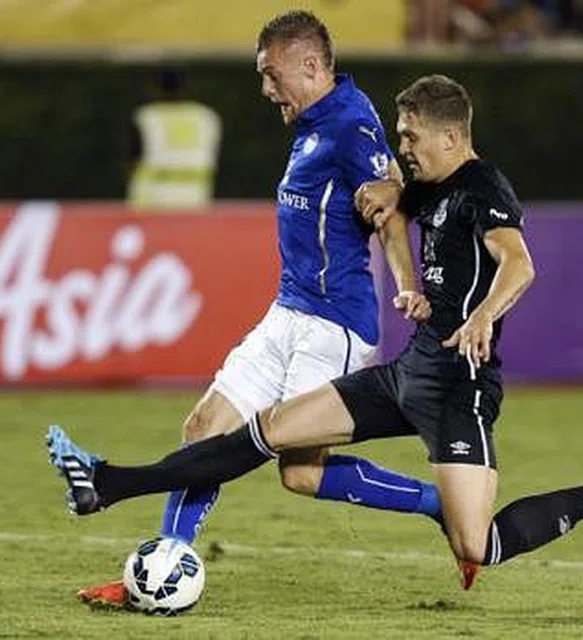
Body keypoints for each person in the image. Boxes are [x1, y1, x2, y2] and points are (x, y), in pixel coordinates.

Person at [49, 74, 583, 593]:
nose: (403, 145)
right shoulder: (425, 184)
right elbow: (390, 205)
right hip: (405, 374)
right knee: (268, 431)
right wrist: (401, 253)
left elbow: (520, 264)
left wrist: (481, 317)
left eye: (411, 135)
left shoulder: (482, 187)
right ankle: (110, 482)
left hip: (458, 389)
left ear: (449, 135)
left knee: (480, 545)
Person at [75, 12, 444, 608]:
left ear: (309, 65)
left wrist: (406, 284)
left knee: (301, 474)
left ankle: (441, 504)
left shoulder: (351, 123)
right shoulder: (311, 124)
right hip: (288, 312)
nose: (265, 89)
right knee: (202, 429)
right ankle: (163, 572)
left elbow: (390, 207)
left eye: (271, 75)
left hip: (334, 326)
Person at [126, 67, 223, 209]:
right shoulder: (206, 117)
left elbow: (131, 161)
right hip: (196, 197)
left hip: (151, 199)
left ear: (156, 88)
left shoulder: (147, 116)